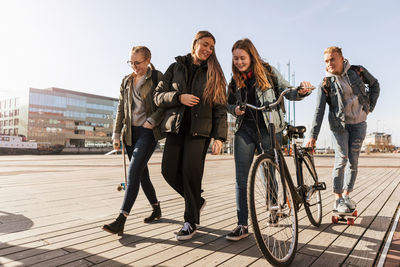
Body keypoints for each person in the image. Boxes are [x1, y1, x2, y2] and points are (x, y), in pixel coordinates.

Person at [226, 38, 313, 241]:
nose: (239, 62)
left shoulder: (268, 72)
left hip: (268, 128)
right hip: (244, 130)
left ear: (251, 55)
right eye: (235, 59)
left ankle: (274, 209)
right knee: (241, 179)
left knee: (269, 171)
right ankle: (242, 224)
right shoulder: (235, 80)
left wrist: (300, 91)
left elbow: (287, 90)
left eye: (242, 58)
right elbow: (228, 104)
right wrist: (234, 109)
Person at [153, 31, 227, 241]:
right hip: (175, 129)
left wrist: (219, 138)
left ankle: (190, 222)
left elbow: (220, 108)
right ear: (194, 43)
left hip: (199, 132)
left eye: (211, 47)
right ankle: (196, 202)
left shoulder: (215, 74)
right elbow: (158, 97)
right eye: (204, 44)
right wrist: (179, 97)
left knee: (190, 175)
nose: (208, 50)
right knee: (168, 171)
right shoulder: (175, 67)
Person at [306, 46, 380, 214]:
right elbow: (319, 111)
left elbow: (375, 85)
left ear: (341, 58)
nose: (329, 63)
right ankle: (337, 198)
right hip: (339, 126)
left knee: (353, 161)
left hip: (359, 124)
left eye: (332, 59)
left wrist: (369, 107)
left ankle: (346, 195)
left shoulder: (357, 72)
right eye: (326, 61)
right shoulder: (325, 84)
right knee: (342, 159)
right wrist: (313, 136)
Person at [102, 46, 164, 236]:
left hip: (148, 131)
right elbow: (121, 108)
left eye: (138, 63)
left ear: (148, 60)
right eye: (131, 62)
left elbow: (165, 103)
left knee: (133, 172)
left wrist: (152, 121)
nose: (134, 66)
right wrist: (116, 134)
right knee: (142, 174)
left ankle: (121, 219)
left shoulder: (157, 77)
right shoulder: (126, 81)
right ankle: (156, 208)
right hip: (130, 134)